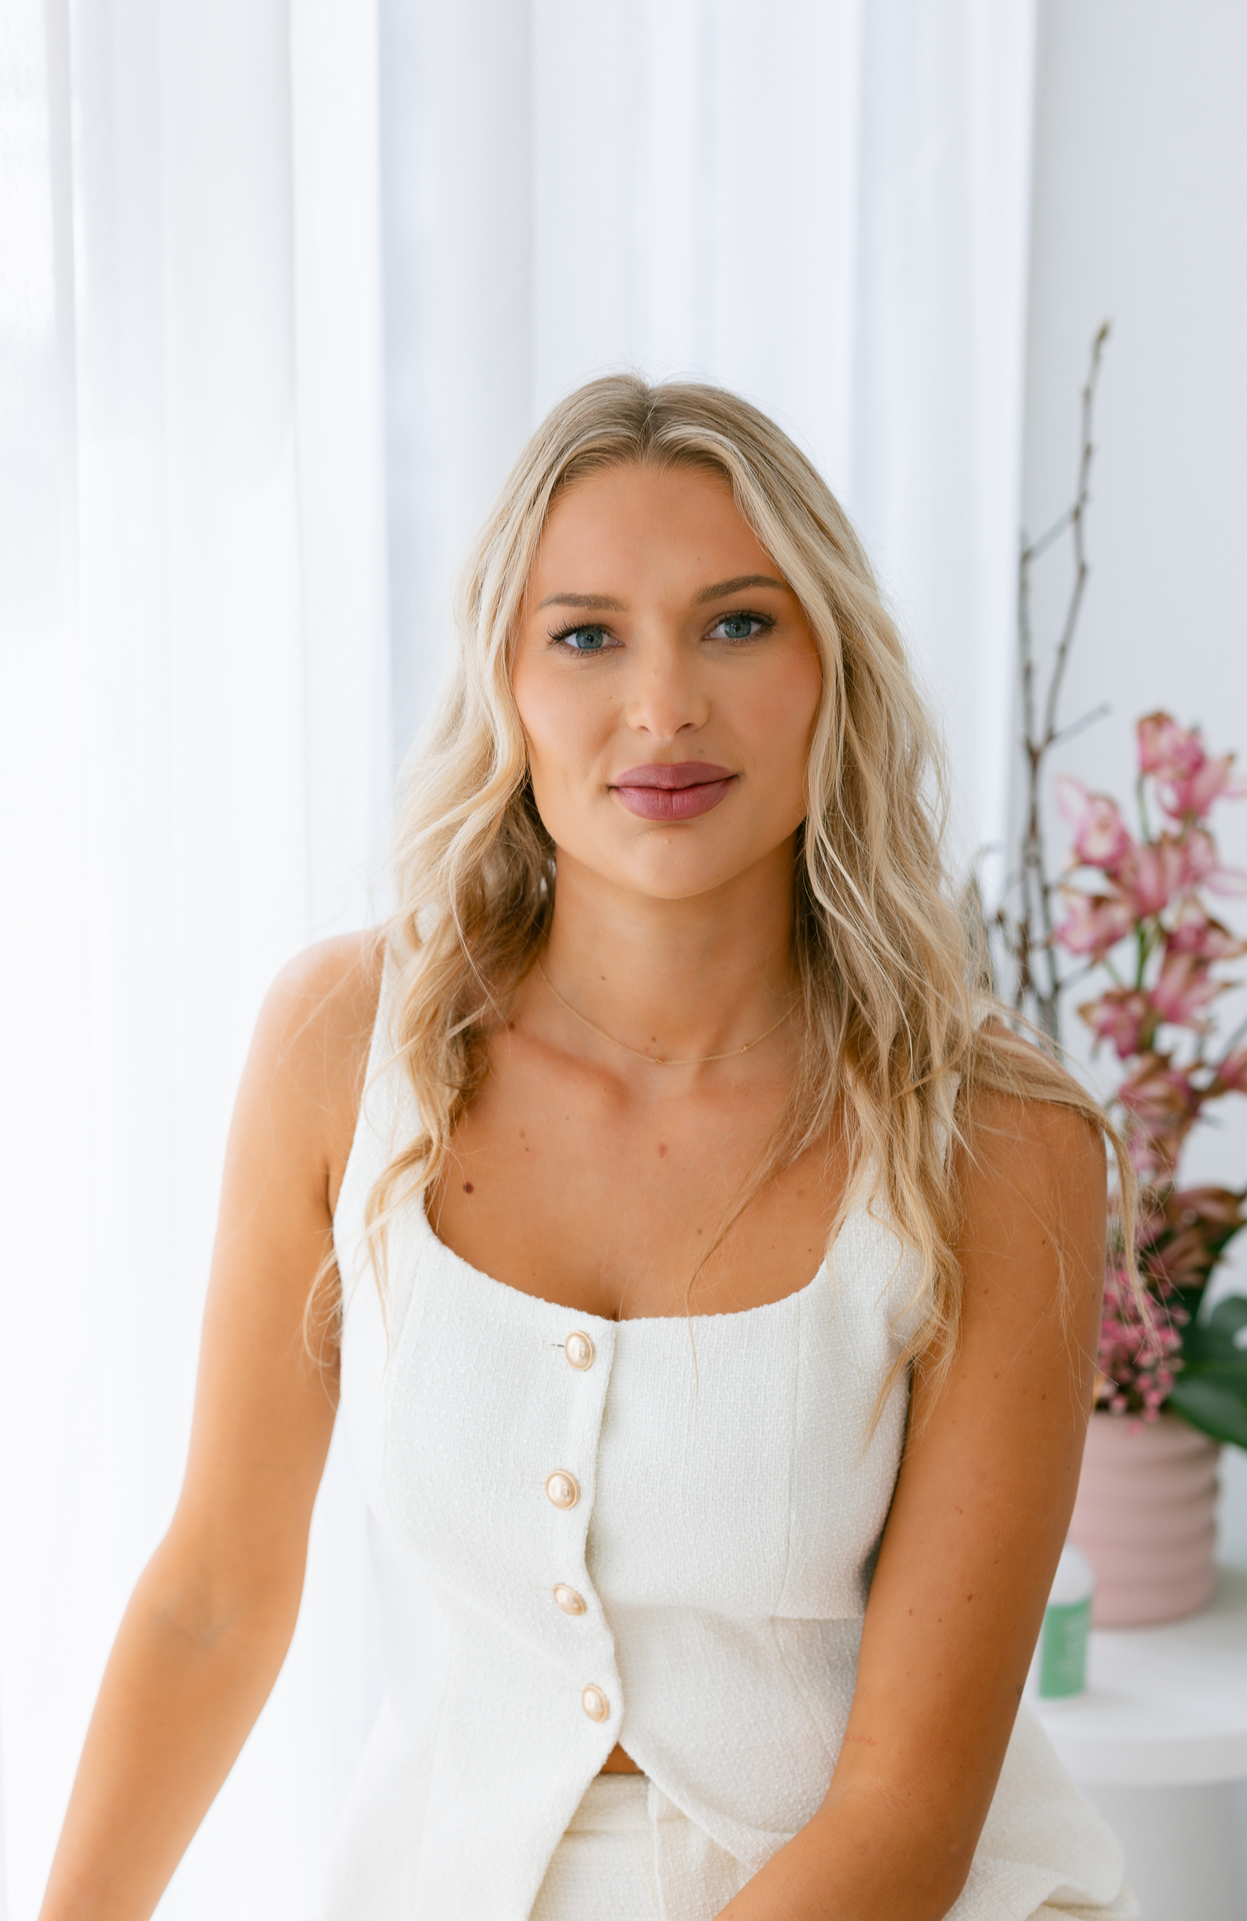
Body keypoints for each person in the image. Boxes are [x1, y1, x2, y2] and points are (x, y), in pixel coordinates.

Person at [39, 377, 1137, 1921]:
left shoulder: (1000, 1142)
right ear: (505, 678)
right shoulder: (342, 1049)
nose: (664, 706)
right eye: (585, 635)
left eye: (738, 623)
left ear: (831, 666)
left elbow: (905, 1810)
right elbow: (214, 1601)